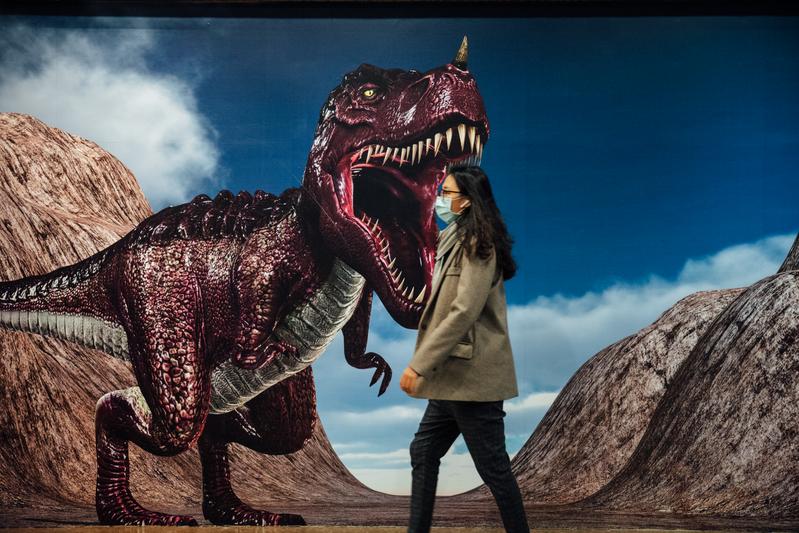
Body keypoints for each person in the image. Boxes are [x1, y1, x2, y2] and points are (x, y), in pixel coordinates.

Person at [400, 165, 529, 533]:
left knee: (494, 469)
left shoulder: (479, 245)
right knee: (423, 451)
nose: (441, 200)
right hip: (451, 377)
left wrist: (420, 365)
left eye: (448, 194)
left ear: (468, 200)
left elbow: (463, 312)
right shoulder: (452, 237)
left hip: (472, 379)